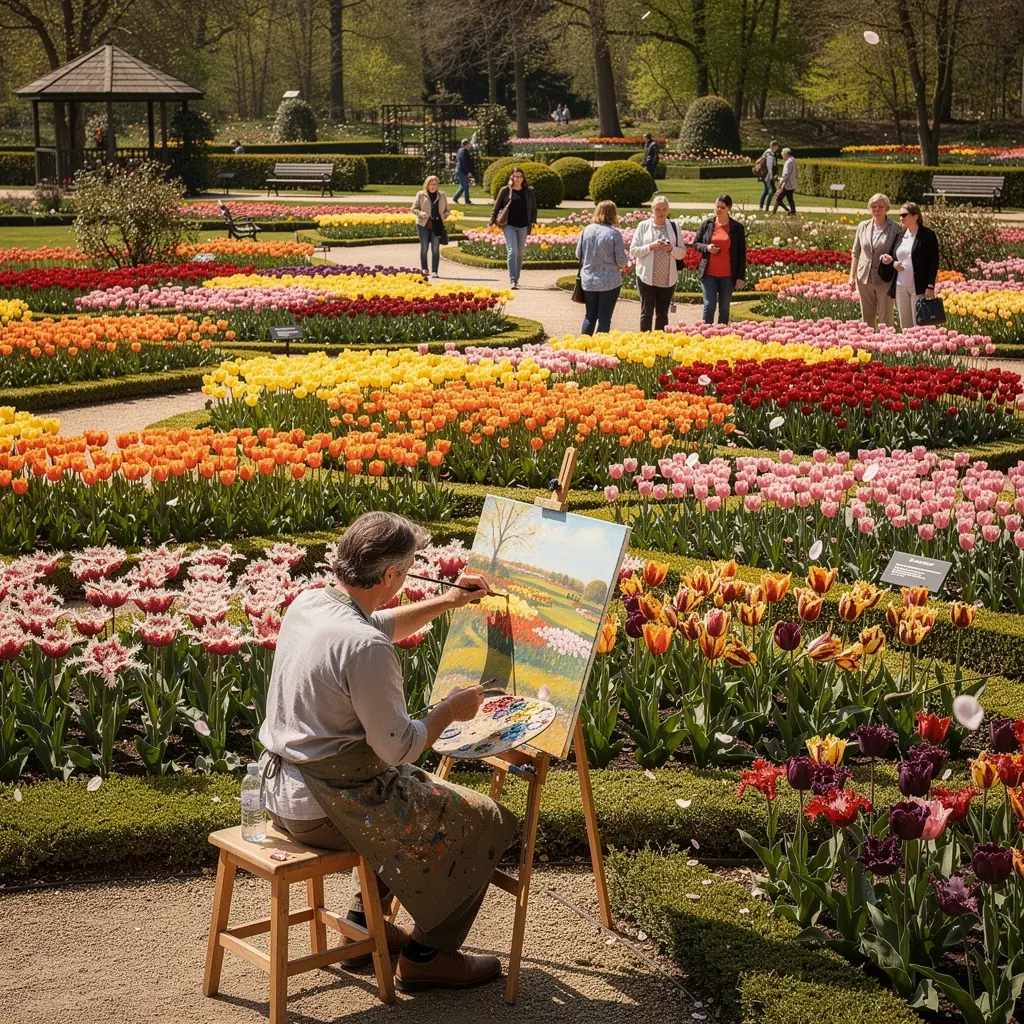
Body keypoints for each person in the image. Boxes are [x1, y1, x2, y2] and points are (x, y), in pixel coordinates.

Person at [259, 511, 518, 992]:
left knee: (409, 792)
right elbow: (400, 749)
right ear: (391, 574)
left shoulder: (310, 602)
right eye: (409, 569)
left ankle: (363, 925)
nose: (409, 577)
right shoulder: (366, 649)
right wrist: (448, 711)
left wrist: (448, 600)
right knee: (482, 817)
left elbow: (375, 623)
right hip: (323, 807)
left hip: (282, 791)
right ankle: (428, 955)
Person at [629, 195, 686, 331]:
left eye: (664, 209)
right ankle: (645, 340)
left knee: (662, 315)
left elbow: (682, 253)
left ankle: (659, 341)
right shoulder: (643, 226)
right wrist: (651, 246)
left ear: (668, 210)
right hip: (647, 278)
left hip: (667, 279)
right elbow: (633, 251)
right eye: (658, 209)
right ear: (652, 209)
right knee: (646, 313)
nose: (661, 212)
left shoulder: (674, 226)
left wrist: (671, 248)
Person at [880, 201, 939, 330]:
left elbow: (933, 262)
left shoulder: (927, 235)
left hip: (918, 286)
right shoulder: (900, 235)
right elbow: (893, 256)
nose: (901, 218)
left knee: (919, 325)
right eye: (900, 215)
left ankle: (922, 344)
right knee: (905, 326)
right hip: (900, 286)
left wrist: (930, 286)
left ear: (915, 216)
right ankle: (907, 344)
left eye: (904, 215)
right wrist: (893, 263)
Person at [849, 193, 901, 330]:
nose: (876, 209)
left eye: (880, 207)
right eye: (873, 206)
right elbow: (856, 251)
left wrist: (891, 260)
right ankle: (868, 342)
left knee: (885, 320)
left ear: (887, 208)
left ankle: (886, 342)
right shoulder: (863, 226)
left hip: (884, 278)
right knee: (866, 319)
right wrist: (852, 276)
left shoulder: (895, 228)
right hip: (864, 278)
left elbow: (899, 253)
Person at [692, 195, 746, 324]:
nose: (719, 210)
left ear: (729, 209)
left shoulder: (737, 228)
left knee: (724, 308)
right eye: (717, 207)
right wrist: (707, 247)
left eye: (723, 207)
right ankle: (706, 332)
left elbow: (741, 254)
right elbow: (695, 244)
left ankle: (722, 334)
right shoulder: (707, 224)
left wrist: (740, 277)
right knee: (709, 305)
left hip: (728, 275)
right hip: (709, 273)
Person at [575, 200, 628, 335]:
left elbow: (578, 254)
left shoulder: (586, 230)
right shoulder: (614, 234)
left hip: (589, 281)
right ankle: (600, 346)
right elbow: (621, 262)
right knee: (604, 318)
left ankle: (584, 344)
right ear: (613, 214)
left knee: (590, 316)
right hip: (609, 281)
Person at [489, 166, 537, 289]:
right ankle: (513, 280)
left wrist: (533, 221)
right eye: (516, 176)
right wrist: (491, 221)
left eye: (520, 176)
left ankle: (516, 278)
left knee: (520, 253)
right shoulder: (505, 190)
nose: (518, 179)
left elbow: (533, 208)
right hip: (509, 225)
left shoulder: (529, 191)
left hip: (523, 225)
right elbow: (496, 207)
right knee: (512, 252)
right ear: (512, 177)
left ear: (523, 178)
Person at [411, 175, 450, 278]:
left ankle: (434, 271)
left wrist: (445, 215)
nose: (433, 186)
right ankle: (424, 269)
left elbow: (447, 210)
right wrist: (421, 213)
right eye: (431, 184)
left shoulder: (442, 195)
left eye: (435, 184)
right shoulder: (421, 194)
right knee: (424, 248)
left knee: (435, 249)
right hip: (423, 225)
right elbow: (413, 209)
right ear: (427, 185)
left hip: (437, 226)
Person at [772, 148, 797, 215]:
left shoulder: (788, 162)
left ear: (786, 154)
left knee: (778, 198)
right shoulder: (793, 160)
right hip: (792, 183)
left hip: (787, 184)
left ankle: (774, 212)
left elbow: (786, 175)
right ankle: (792, 211)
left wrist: (780, 180)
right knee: (789, 198)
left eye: (783, 155)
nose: (782, 156)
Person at [757, 140, 779, 211]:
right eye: (776, 147)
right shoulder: (770, 155)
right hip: (767, 176)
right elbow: (769, 167)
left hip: (764, 175)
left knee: (766, 191)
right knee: (772, 191)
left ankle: (761, 206)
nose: (777, 148)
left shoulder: (767, 152)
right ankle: (766, 206)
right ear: (774, 146)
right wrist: (771, 177)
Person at [453, 138, 475, 205]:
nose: (470, 145)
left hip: (458, 170)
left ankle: (456, 198)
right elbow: (464, 163)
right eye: (469, 144)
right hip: (462, 171)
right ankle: (467, 201)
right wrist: (468, 172)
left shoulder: (460, 150)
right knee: (466, 186)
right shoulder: (464, 152)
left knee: (463, 186)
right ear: (467, 144)